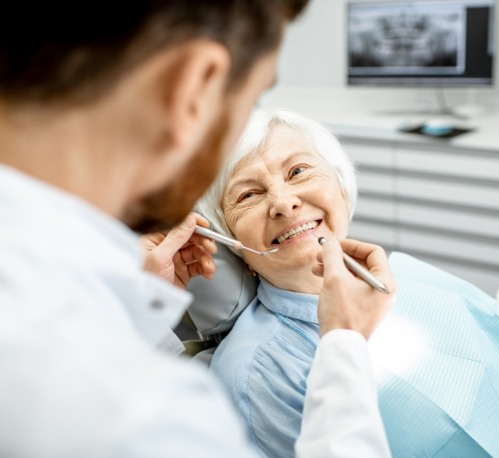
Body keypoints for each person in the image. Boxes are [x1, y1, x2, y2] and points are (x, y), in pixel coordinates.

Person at [0, 2, 398, 457]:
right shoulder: (147, 414)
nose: (285, 201)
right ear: (195, 87)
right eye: (252, 99)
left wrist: (133, 307)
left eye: (300, 171)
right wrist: (344, 345)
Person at [197, 108, 499, 458]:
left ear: (341, 184)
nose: (284, 202)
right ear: (229, 239)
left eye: (298, 171)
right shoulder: (256, 373)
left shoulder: (410, 274)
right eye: (248, 195)